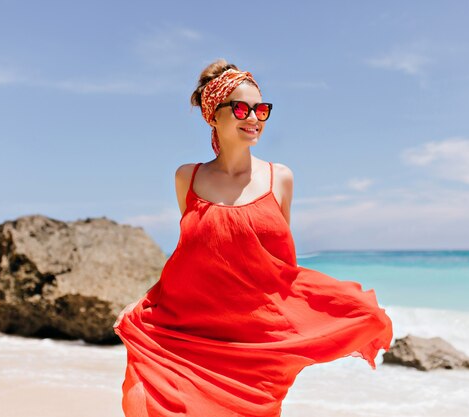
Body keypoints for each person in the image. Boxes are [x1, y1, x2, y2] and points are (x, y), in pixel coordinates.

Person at [113, 59, 393, 417]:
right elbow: (191, 259)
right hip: (192, 341)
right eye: (242, 108)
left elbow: (281, 267)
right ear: (214, 115)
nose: (254, 118)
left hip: (257, 350)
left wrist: (320, 318)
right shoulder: (188, 177)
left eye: (261, 109)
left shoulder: (281, 178)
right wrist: (145, 305)